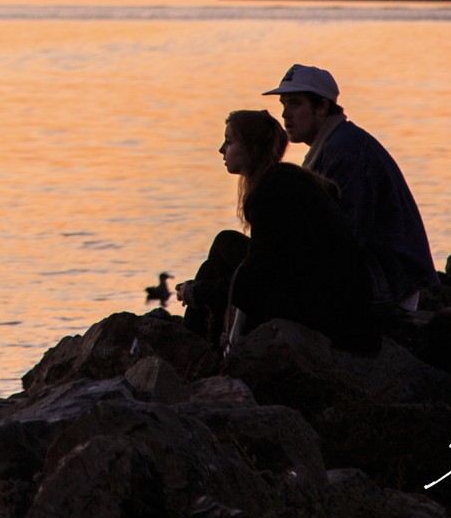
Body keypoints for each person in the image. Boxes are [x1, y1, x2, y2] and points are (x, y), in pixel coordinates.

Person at [181, 109, 379, 352]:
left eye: (229, 142)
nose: (222, 150)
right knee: (224, 245)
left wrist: (198, 293)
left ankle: (192, 353)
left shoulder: (270, 193)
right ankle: (199, 347)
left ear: (252, 149)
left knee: (212, 272)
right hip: (327, 294)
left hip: (321, 310)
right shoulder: (285, 181)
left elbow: (256, 280)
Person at [263, 63, 435, 312]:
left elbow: (345, 237)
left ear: (321, 107)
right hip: (376, 272)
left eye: (295, 103)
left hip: (388, 282)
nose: (285, 114)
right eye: (284, 104)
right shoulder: (333, 144)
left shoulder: (344, 152)